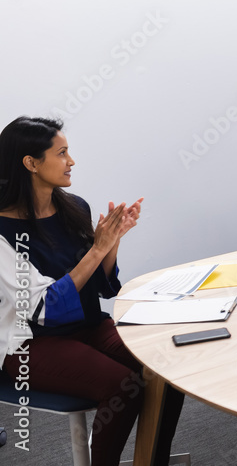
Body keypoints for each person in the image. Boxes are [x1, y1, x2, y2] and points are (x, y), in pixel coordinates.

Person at [0, 117, 183, 466]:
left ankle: (152, 461)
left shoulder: (74, 207)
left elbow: (100, 286)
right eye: (62, 153)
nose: (72, 161)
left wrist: (111, 244)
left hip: (90, 327)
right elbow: (44, 309)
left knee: (166, 366)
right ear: (31, 163)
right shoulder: (3, 231)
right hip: (31, 343)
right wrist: (98, 249)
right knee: (122, 386)